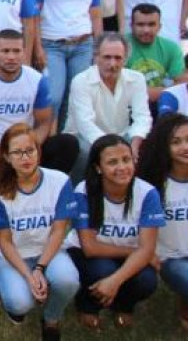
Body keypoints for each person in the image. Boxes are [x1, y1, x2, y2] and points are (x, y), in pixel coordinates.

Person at [0, 123, 79, 339]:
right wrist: (29, 275)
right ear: (7, 158)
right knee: (19, 304)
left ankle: (51, 318)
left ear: (38, 151)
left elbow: (58, 231)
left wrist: (40, 267)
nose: (25, 157)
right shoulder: (0, 192)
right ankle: (3, 279)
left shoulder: (60, 181)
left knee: (68, 280)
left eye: (30, 150)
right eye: (17, 152)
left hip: (48, 251)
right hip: (11, 257)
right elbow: (5, 242)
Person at [64, 135, 163, 330]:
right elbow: (90, 247)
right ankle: (87, 305)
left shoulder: (148, 193)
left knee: (147, 280)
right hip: (87, 254)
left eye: (126, 159)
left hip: (127, 253)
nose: (122, 167)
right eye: (112, 162)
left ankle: (123, 305)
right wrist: (136, 252)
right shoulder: (84, 190)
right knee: (103, 270)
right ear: (98, 168)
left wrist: (115, 281)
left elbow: (147, 248)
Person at [0, 29, 78, 190]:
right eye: (5, 51)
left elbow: (44, 123)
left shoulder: (37, 80)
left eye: (16, 51)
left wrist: (27, 151)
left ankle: (35, 180)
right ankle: (16, 178)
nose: (11, 57)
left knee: (68, 144)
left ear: (24, 53)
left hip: (27, 142)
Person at [31, 0, 103, 127]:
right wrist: (37, 48)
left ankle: (63, 142)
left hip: (83, 45)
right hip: (52, 45)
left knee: (75, 98)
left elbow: (96, 16)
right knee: (53, 96)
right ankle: (44, 141)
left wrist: (98, 49)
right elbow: (33, 15)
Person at [64, 32, 152, 182]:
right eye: (107, 57)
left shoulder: (137, 79)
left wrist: (136, 141)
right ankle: (78, 191)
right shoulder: (81, 81)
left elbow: (142, 116)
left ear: (125, 59)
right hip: (84, 138)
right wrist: (112, 148)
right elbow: (85, 124)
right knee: (86, 153)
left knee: (147, 147)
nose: (112, 64)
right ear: (96, 57)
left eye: (118, 58)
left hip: (122, 136)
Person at [137, 113, 188, 330]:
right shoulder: (152, 183)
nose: (185, 147)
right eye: (176, 142)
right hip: (170, 258)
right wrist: (149, 253)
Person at [127, 3, 188, 103]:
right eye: (140, 24)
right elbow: (121, 89)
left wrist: (154, 94)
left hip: (162, 103)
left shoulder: (171, 48)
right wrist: (168, 92)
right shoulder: (120, 46)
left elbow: (183, 83)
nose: (146, 30)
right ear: (131, 26)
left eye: (151, 24)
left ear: (159, 27)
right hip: (128, 105)